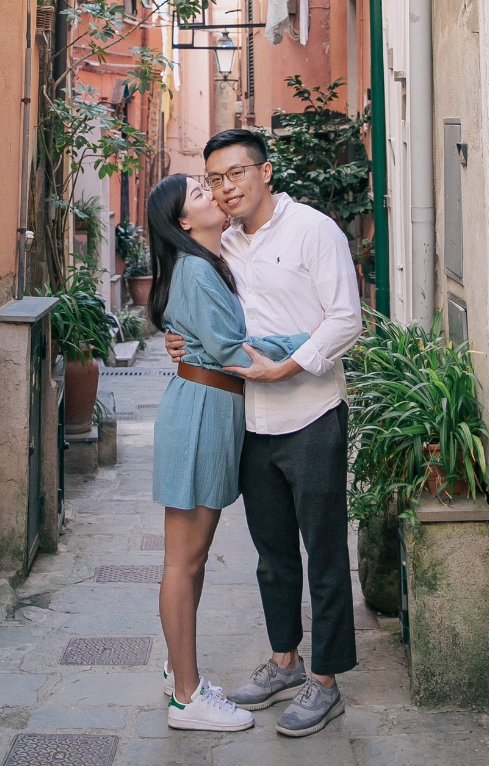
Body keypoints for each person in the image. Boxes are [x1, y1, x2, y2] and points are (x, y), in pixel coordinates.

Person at [165, 128, 362, 738]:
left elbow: (345, 320)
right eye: (215, 179)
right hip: (250, 420)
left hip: (311, 414)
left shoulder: (313, 231)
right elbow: (201, 311)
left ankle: (325, 682)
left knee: (324, 552)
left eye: (235, 174)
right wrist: (182, 342)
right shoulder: (217, 241)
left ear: (265, 171)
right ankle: (284, 661)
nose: (225, 189)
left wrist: (291, 364)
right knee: (272, 557)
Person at [147, 172, 310, 734]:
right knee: (184, 562)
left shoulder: (210, 263)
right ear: (183, 224)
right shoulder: (196, 269)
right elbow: (227, 350)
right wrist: (307, 342)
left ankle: (181, 676)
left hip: (209, 411)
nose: (213, 193)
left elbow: (205, 339)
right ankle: (187, 699)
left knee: (191, 563)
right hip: (198, 414)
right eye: (199, 193)